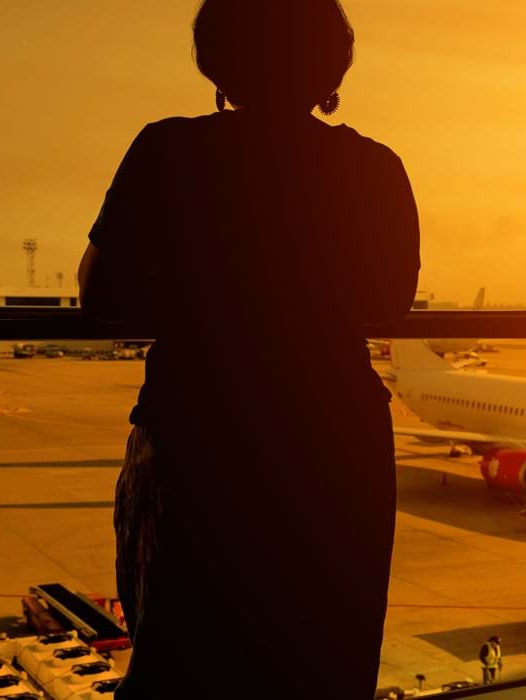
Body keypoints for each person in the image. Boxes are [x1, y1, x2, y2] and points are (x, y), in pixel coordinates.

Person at [78, 1, 419, 697]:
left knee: (182, 654)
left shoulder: (168, 150)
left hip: (198, 431)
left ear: (216, 61)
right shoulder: (375, 168)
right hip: (337, 442)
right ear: (334, 62)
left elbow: (100, 297)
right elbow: (388, 307)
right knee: (327, 658)